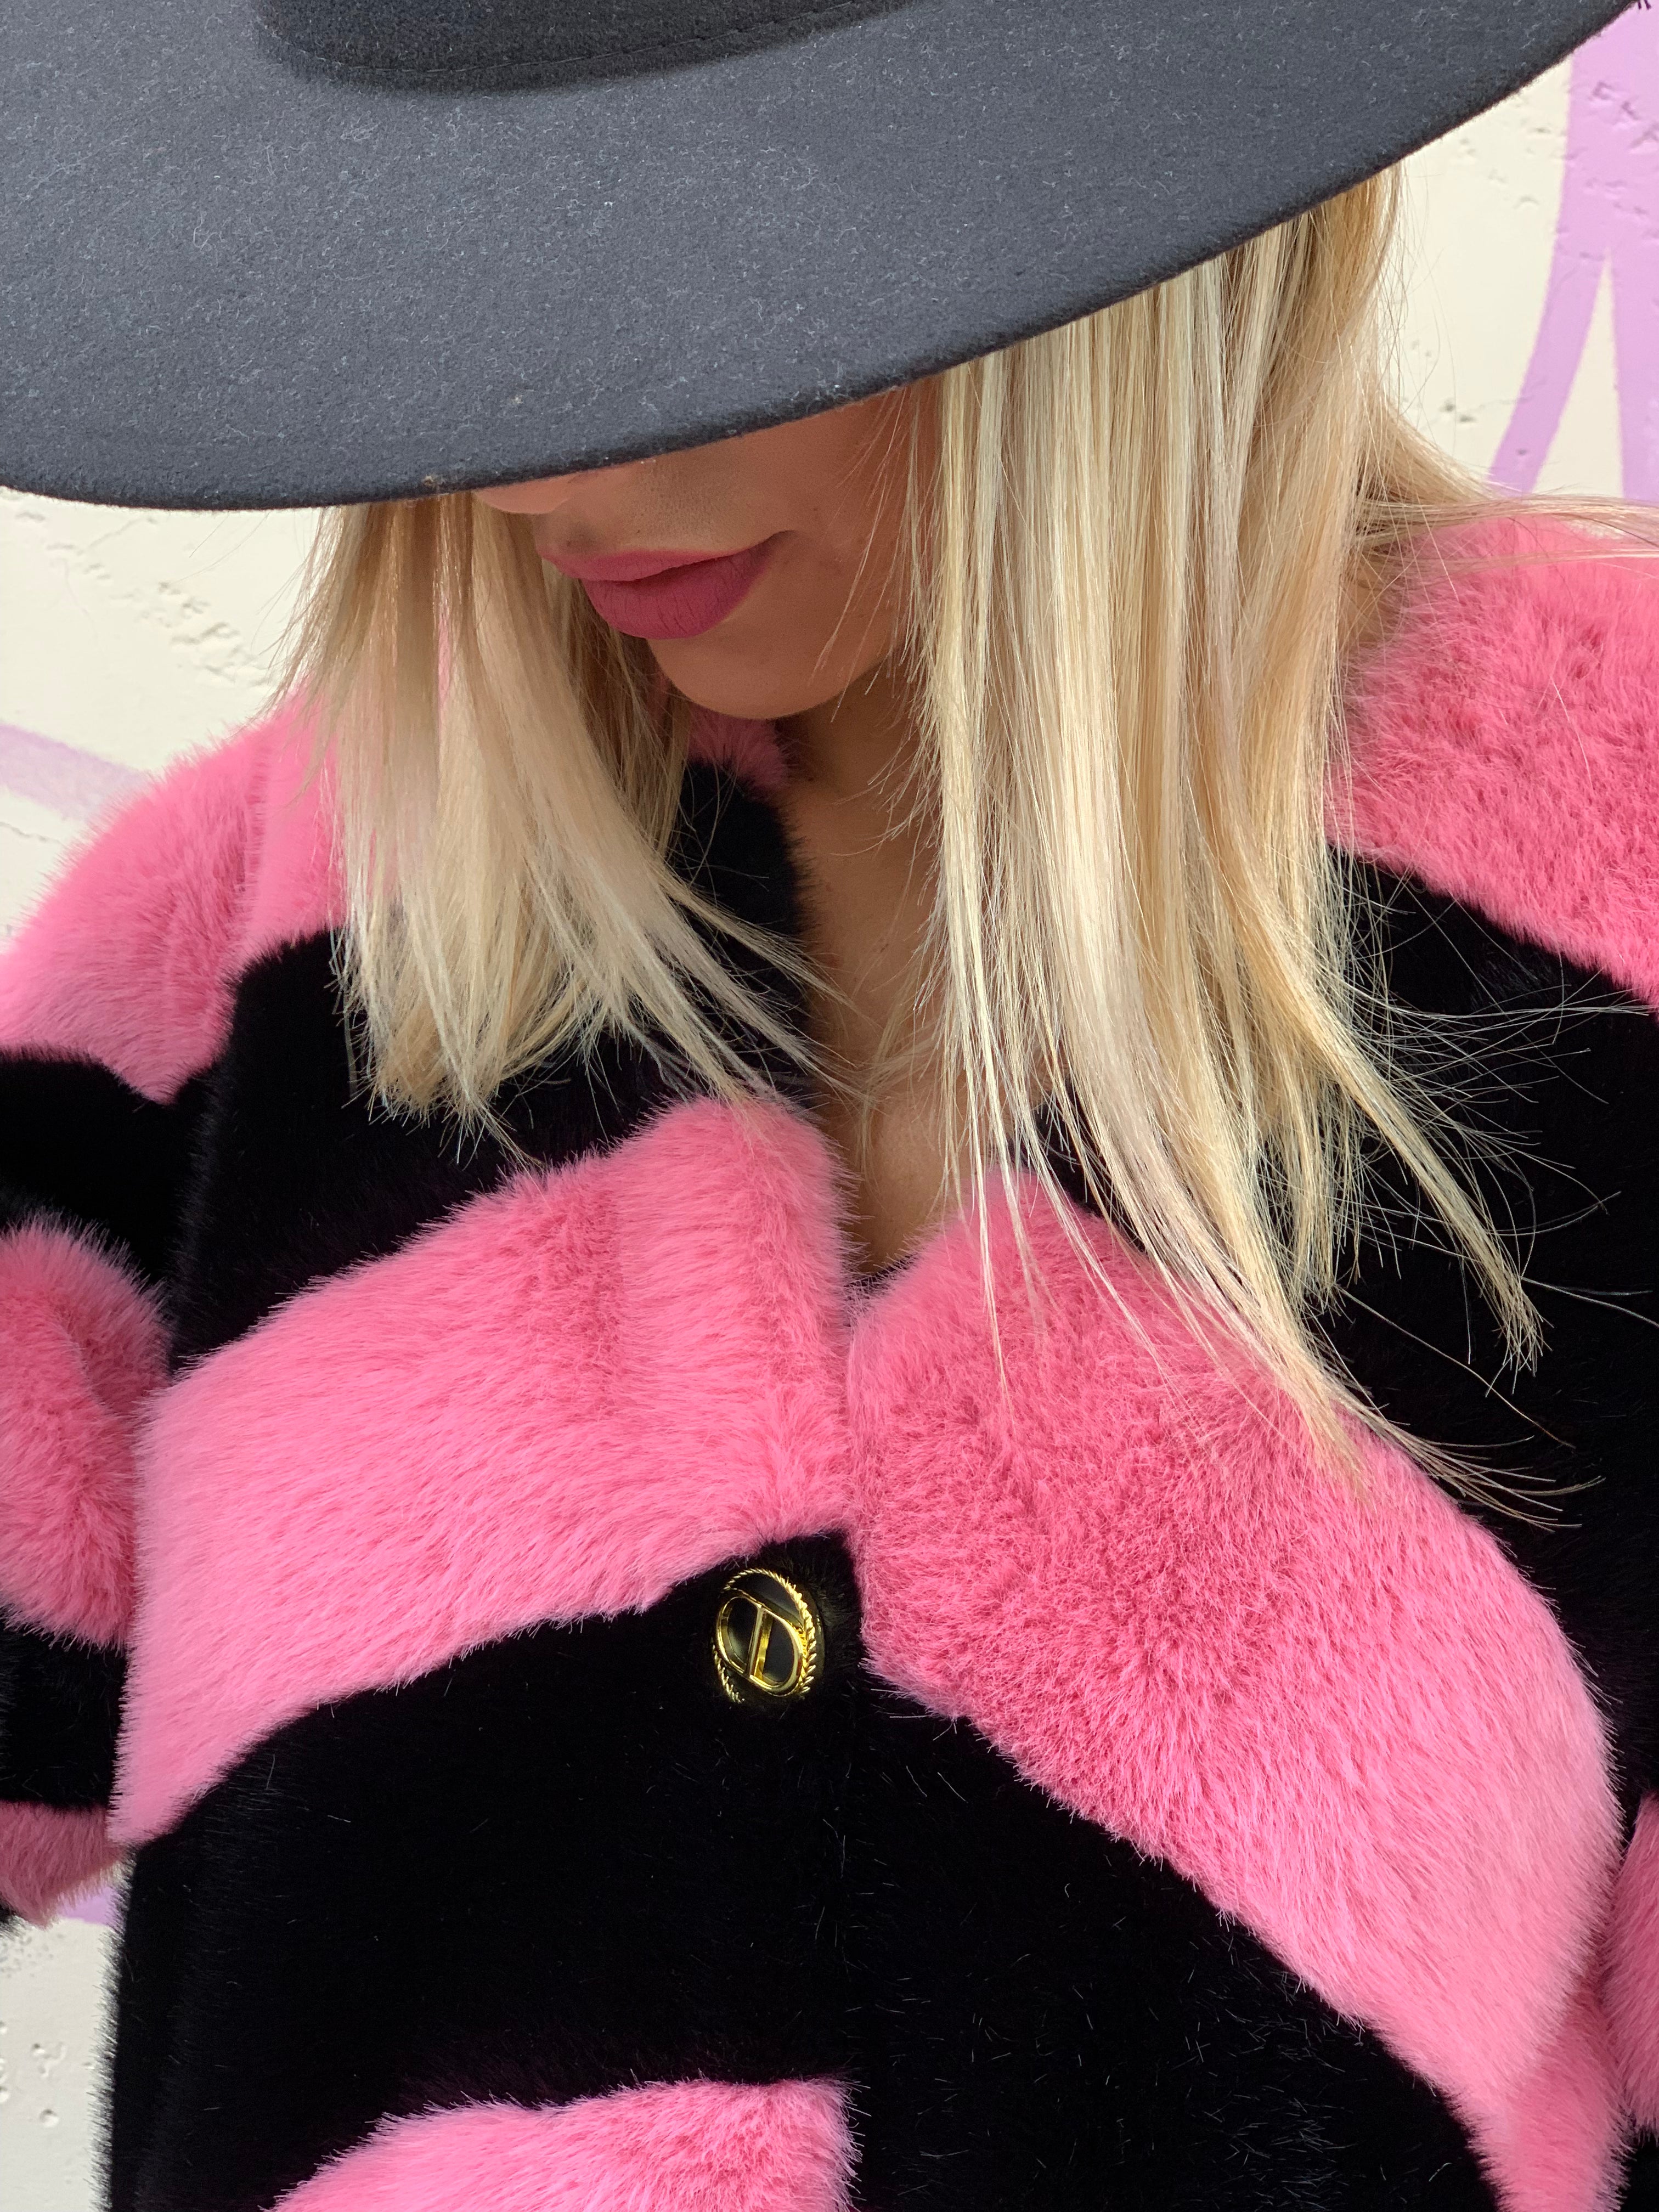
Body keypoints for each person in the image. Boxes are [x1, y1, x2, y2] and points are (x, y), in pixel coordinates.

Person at [1, 4, 1656, 2208]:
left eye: (682, 260)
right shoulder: (262, 944)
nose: (537, 476)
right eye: (452, 274)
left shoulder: (1614, 869)